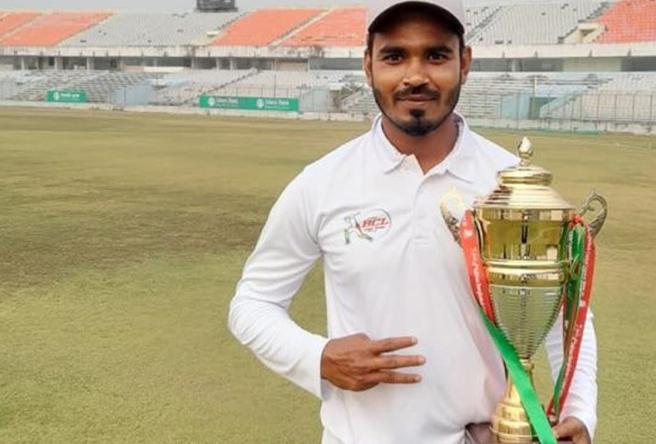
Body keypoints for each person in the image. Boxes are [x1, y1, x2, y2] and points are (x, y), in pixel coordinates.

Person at [227, 1, 597, 443]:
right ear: (368, 65)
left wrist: (579, 410)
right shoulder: (322, 183)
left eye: (436, 55)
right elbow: (253, 303)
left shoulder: (509, 185)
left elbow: (561, 312)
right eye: (394, 56)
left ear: (464, 62)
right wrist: (319, 356)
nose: (415, 75)